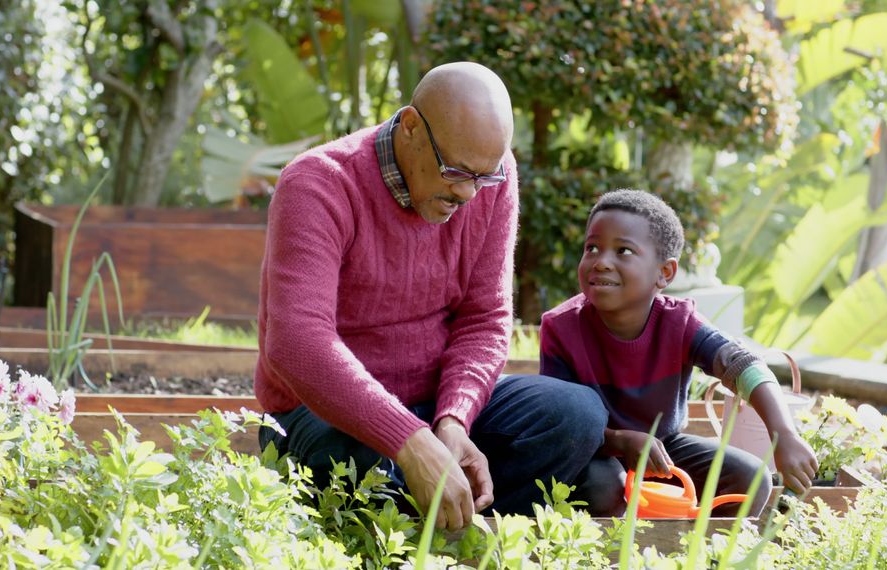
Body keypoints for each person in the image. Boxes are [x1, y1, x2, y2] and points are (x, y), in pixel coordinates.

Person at [255, 62, 608, 530]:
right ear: (411, 128)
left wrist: (454, 422)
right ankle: (428, 525)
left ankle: (451, 528)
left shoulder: (491, 177)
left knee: (576, 415)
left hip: (434, 406)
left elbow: (485, 319)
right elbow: (297, 342)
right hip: (324, 416)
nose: (467, 193)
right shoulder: (318, 183)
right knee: (356, 463)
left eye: (483, 177)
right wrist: (409, 441)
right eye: (455, 171)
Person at [539, 189, 819, 516]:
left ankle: (701, 552)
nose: (601, 262)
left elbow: (744, 366)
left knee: (750, 478)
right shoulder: (561, 328)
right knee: (605, 486)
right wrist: (619, 441)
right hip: (594, 452)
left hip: (664, 451)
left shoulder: (679, 323)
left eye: (623, 251)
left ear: (665, 273)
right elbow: (561, 425)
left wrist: (783, 433)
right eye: (592, 248)